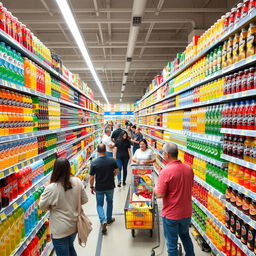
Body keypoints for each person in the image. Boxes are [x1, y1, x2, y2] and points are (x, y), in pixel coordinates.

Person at [39, 158, 88, 256]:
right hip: (74, 225)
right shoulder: (77, 181)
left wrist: (46, 188)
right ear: (69, 168)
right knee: (70, 247)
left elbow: (42, 206)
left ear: (55, 170)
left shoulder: (51, 187)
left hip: (59, 230)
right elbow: (84, 200)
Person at [154, 143, 195, 256]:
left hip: (171, 215)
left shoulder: (165, 172)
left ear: (167, 154)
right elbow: (189, 186)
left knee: (172, 244)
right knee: (186, 237)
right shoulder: (189, 169)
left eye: (163, 152)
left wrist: (154, 189)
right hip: (186, 213)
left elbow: (160, 194)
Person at [89, 144, 119, 234]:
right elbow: (117, 171)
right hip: (110, 185)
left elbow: (91, 177)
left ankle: (103, 220)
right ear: (105, 150)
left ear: (97, 151)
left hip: (99, 187)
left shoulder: (94, 162)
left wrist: (91, 186)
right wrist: (112, 175)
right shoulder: (112, 160)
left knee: (99, 205)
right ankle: (109, 219)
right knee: (110, 201)